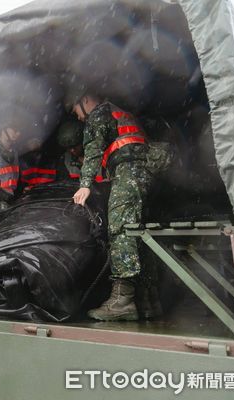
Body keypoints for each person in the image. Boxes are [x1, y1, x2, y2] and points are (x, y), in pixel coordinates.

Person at [70, 92, 152, 321]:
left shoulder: (98, 114)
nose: (77, 118)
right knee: (139, 233)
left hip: (127, 174)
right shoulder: (119, 112)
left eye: (75, 111)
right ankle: (147, 300)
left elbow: (93, 150)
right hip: (142, 174)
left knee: (120, 230)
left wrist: (85, 185)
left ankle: (122, 300)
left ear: (85, 100)